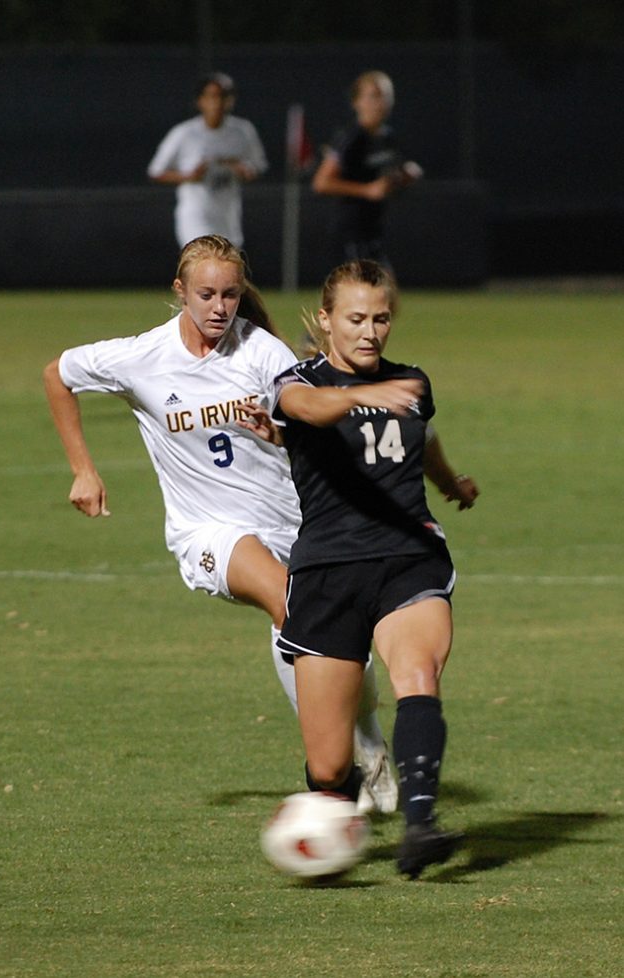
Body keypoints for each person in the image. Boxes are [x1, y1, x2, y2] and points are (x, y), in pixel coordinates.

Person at [42, 234, 397, 815]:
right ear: (180, 291)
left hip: (291, 523)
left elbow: (316, 432)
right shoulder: (143, 356)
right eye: (206, 294)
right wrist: (83, 469)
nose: (219, 307)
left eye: (230, 294)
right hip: (206, 533)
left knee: (337, 635)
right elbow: (58, 374)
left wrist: (278, 433)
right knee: (291, 604)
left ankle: (368, 739)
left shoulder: (264, 354)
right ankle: (331, 779)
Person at [272, 259, 479, 878]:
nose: (370, 331)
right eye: (356, 318)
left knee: (417, 671)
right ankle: (334, 825)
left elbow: (422, 438)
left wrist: (449, 482)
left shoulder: (410, 382)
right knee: (330, 765)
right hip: (327, 573)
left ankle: (421, 827)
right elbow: (310, 409)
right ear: (326, 319)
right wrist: (362, 395)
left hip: (406, 557)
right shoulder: (294, 382)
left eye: (381, 319)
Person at [311, 70, 423, 269]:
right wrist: (367, 190)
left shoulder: (387, 137)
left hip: (373, 232)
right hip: (350, 235)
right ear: (357, 102)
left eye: (386, 96)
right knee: (374, 288)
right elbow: (321, 183)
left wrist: (405, 175)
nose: (381, 103)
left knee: (386, 288)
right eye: (374, 96)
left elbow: (387, 177)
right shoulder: (351, 137)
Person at [147, 73, 267, 250]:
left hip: (228, 216)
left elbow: (259, 166)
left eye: (223, 96)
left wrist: (244, 170)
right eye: (211, 96)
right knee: (203, 257)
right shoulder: (185, 133)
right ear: (200, 101)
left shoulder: (242, 131)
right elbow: (156, 171)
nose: (217, 102)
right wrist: (190, 176)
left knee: (227, 263)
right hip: (195, 214)